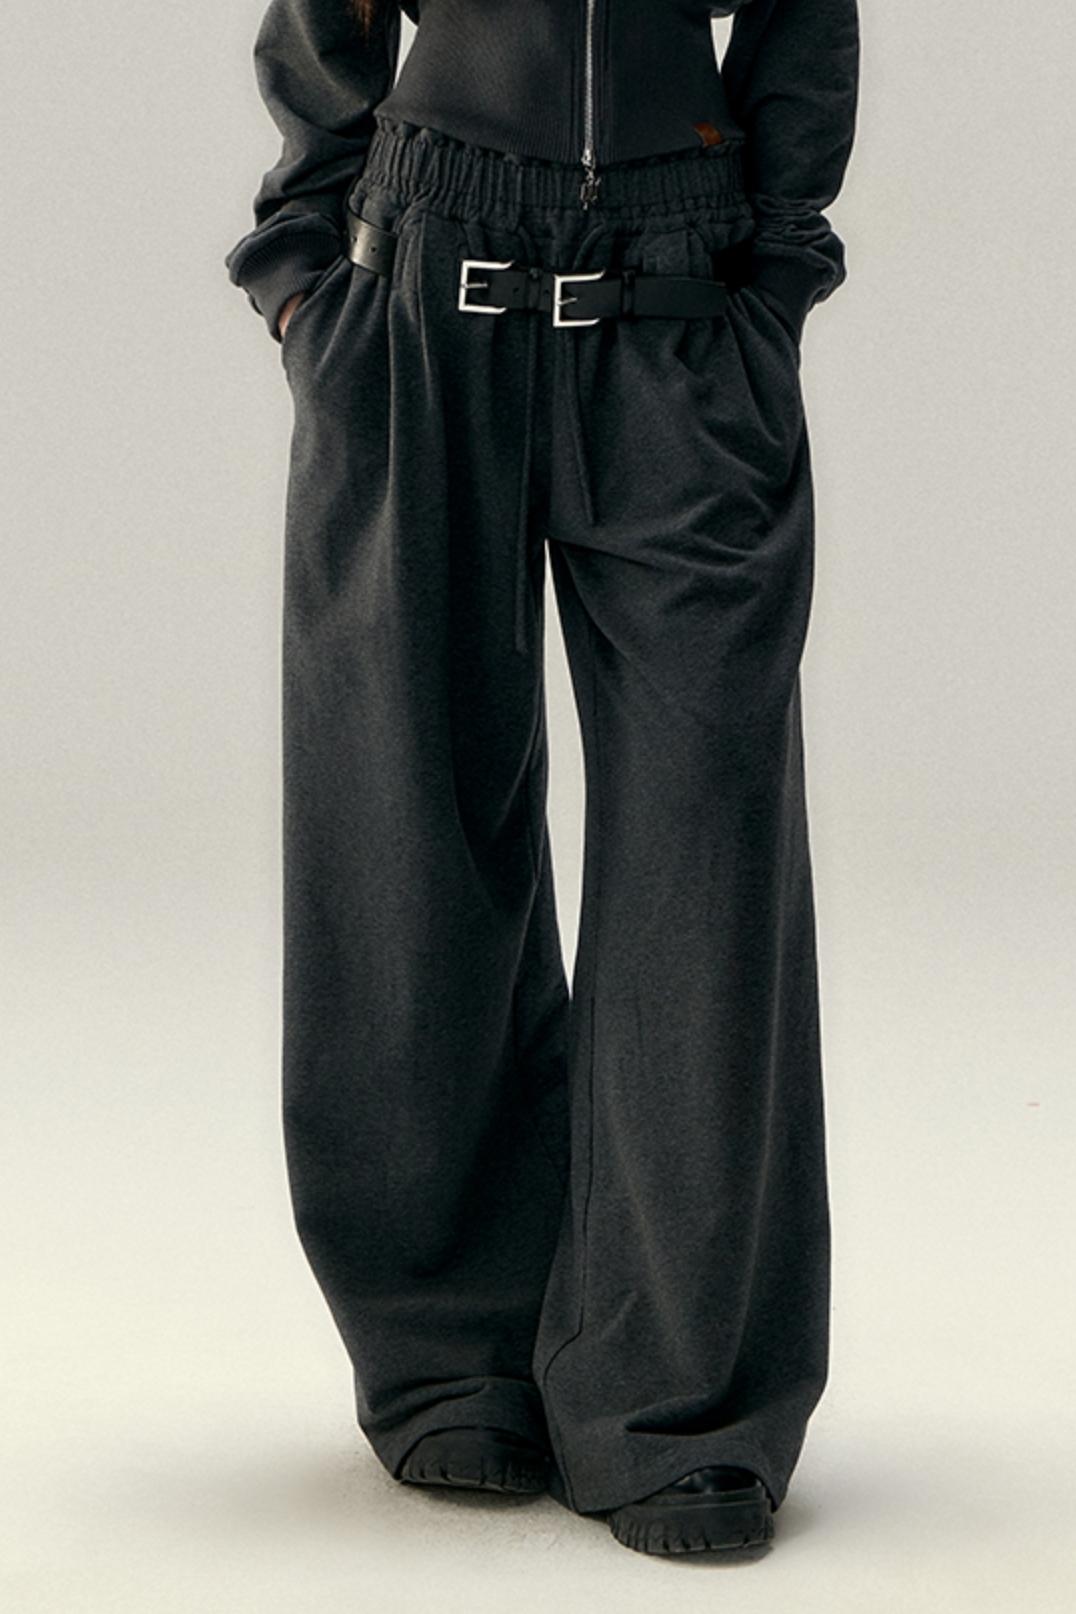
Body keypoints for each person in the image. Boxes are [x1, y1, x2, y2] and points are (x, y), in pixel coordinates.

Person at [224, 0, 859, 1558]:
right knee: (410, 828)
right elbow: (324, 23)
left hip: (685, 299)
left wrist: (777, 268)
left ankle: (679, 1399)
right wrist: (307, 278)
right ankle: (454, 1343)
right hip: (421, 290)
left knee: (706, 853)